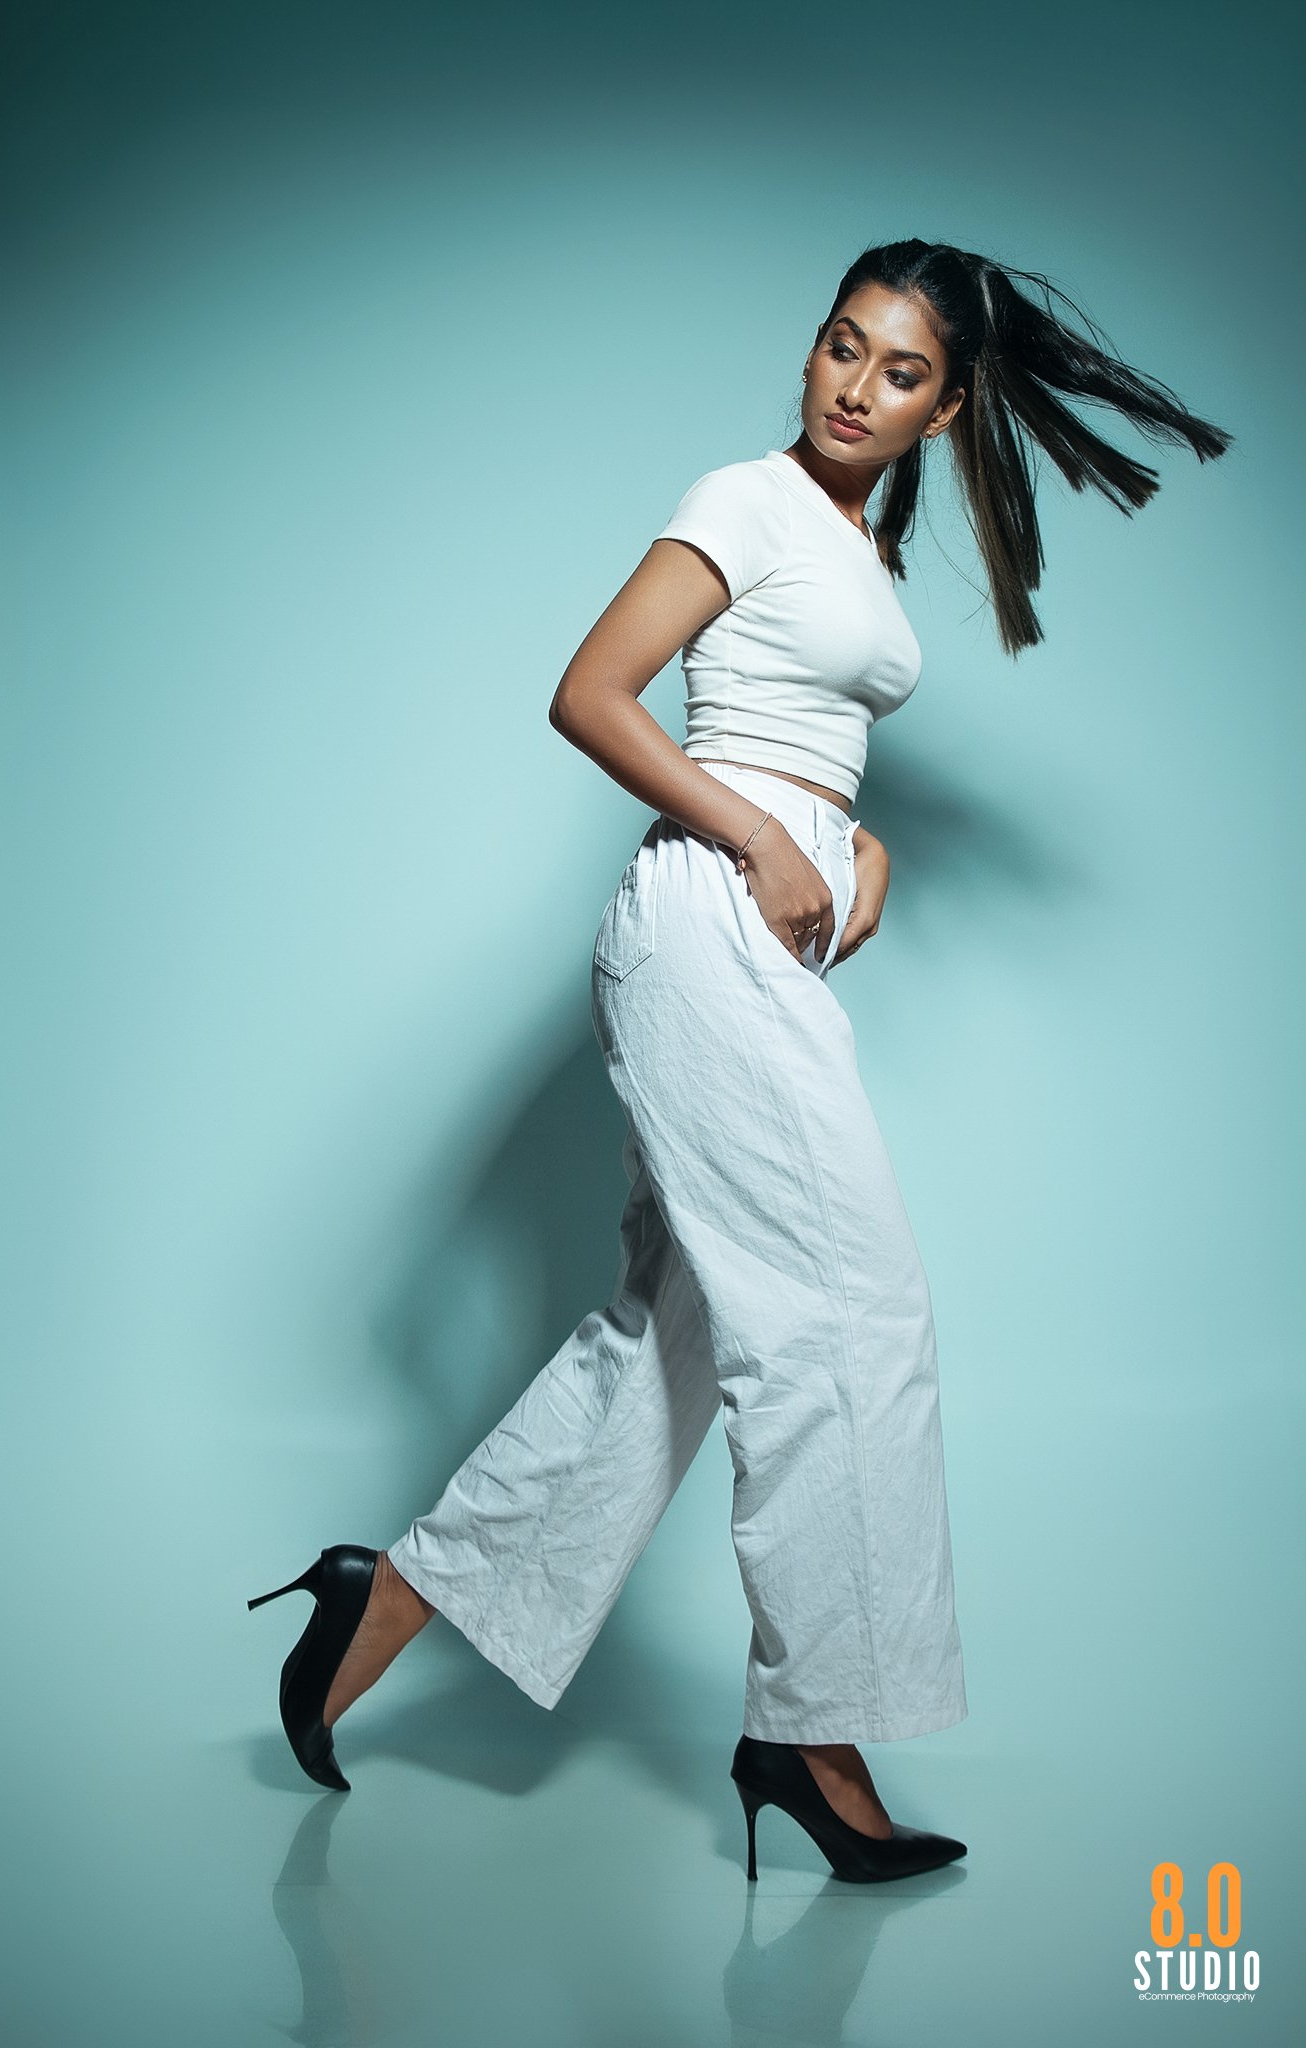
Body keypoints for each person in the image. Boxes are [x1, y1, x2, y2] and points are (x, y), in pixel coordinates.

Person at [248, 238, 1231, 1882]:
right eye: (841, 345)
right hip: (704, 924)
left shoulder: (854, 542)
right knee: (850, 1320)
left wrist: (857, 846)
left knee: (672, 1343)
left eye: (899, 372)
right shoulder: (750, 498)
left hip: (750, 937)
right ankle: (810, 1734)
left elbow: (803, 736)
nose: (854, 388)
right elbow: (592, 692)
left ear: (944, 408)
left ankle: (387, 1600)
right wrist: (764, 839)